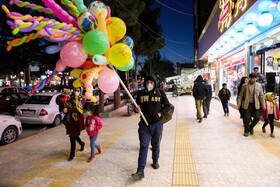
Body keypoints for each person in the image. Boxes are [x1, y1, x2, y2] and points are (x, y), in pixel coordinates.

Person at [131, 74, 171, 180]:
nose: (149, 84)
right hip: (144, 124)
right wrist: (136, 109)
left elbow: (168, 106)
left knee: (155, 144)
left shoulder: (160, 93)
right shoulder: (141, 93)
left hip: (157, 124)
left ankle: (155, 160)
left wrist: (161, 114)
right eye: (148, 82)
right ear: (145, 83)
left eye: (152, 82)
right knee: (144, 146)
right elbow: (135, 106)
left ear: (155, 83)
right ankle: (140, 170)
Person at [59, 87, 86, 161]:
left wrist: (68, 110)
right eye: (75, 90)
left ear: (81, 91)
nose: (76, 92)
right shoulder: (72, 98)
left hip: (77, 120)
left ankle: (72, 154)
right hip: (70, 121)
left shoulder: (81, 99)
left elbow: (78, 109)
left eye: (78, 90)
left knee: (72, 137)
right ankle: (81, 143)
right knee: (73, 135)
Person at [237, 73, 266, 137]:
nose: (254, 79)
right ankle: (246, 131)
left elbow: (261, 96)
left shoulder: (259, 86)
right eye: (253, 78)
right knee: (246, 119)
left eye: (255, 78)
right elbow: (240, 95)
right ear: (250, 78)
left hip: (256, 104)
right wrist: (239, 103)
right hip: (247, 104)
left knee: (257, 117)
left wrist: (263, 104)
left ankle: (251, 127)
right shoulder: (245, 85)